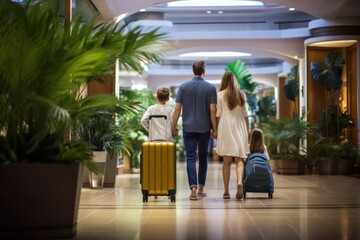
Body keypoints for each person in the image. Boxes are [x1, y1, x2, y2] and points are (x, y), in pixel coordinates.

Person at [171, 60, 217, 201]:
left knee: (190, 157)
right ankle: (201, 187)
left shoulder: (183, 87)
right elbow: (212, 110)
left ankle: (193, 188)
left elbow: (177, 108)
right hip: (204, 128)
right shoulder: (210, 88)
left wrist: (173, 126)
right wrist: (215, 129)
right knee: (203, 157)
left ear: (193, 71)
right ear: (204, 71)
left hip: (188, 127)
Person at [216, 71, 249, 200]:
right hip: (239, 126)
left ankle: (226, 191)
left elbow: (218, 114)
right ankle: (240, 182)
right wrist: (247, 131)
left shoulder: (219, 95)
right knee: (240, 158)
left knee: (226, 161)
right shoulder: (241, 94)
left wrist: (216, 130)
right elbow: (246, 115)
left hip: (225, 126)